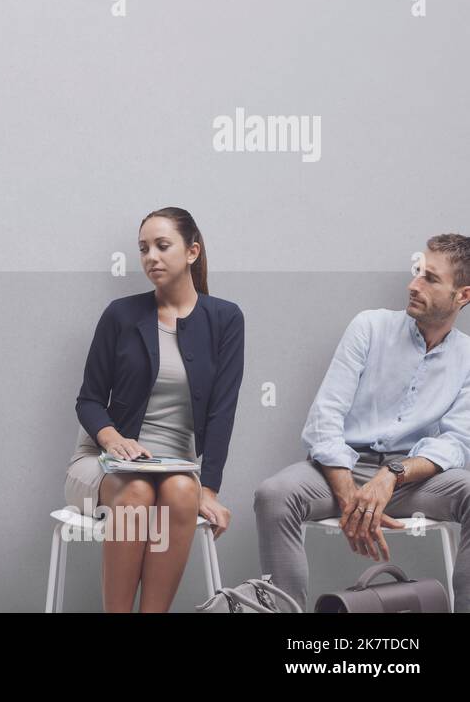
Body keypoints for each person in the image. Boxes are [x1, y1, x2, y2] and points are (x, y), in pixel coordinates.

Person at [255, 234, 470, 611]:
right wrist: (350, 495)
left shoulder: (467, 357)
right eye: (417, 272)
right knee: (274, 495)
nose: (413, 284)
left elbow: (456, 442)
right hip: (341, 468)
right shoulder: (369, 327)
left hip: (412, 481)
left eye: (430, 279)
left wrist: (392, 475)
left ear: (462, 296)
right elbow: (325, 418)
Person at [65, 207, 243, 612]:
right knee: (137, 493)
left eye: (163, 246)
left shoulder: (225, 319)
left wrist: (209, 489)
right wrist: (113, 441)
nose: (151, 257)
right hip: (103, 462)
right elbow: (89, 400)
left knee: (182, 492)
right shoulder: (120, 315)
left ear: (192, 252)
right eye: (144, 248)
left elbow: (222, 412)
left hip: (175, 466)